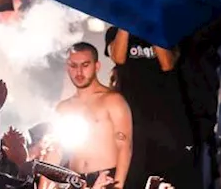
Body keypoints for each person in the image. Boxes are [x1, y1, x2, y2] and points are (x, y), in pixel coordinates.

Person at [105, 26, 197, 189]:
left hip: (165, 116)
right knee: (134, 173)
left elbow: (167, 63)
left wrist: (151, 25)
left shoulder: (165, 30)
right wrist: (126, 23)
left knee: (165, 175)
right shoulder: (116, 31)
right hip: (132, 117)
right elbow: (118, 57)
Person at [54, 42, 132, 188]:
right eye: (73, 66)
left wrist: (118, 185)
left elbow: (124, 146)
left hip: (106, 178)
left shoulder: (113, 100)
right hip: (75, 180)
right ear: (67, 68)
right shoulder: (63, 108)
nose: (79, 72)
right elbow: (55, 151)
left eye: (85, 65)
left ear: (96, 66)